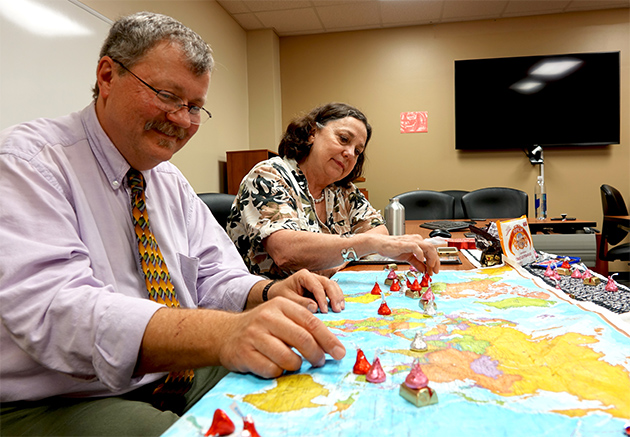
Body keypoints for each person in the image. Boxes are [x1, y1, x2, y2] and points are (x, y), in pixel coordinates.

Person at [0, 12, 345, 436]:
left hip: (173, 371)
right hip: (60, 395)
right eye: (167, 95)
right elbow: (58, 313)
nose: (182, 120)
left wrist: (267, 291)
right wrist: (223, 333)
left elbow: (213, 275)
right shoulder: (27, 163)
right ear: (107, 76)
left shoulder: (167, 179)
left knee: (299, 387)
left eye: (196, 106)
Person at [226, 103, 440, 279]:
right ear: (312, 133)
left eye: (358, 150)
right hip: (265, 309)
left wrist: (338, 257)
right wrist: (363, 245)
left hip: (321, 297)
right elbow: (285, 252)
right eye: (344, 139)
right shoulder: (268, 175)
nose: (350, 153)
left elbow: (378, 230)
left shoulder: (343, 190)